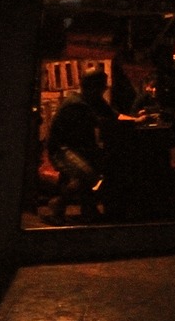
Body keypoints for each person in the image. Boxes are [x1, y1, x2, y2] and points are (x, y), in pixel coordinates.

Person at [45, 67, 120, 224]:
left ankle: (89, 210)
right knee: (87, 174)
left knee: (104, 165)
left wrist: (136, 119)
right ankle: (57, 204)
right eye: (102, 86)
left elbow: (115, 116)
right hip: (62, 149)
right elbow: (102, 122)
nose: (104, 89)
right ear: (91, 86)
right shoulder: (75, 104)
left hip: (79, 148)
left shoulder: (94, 101)